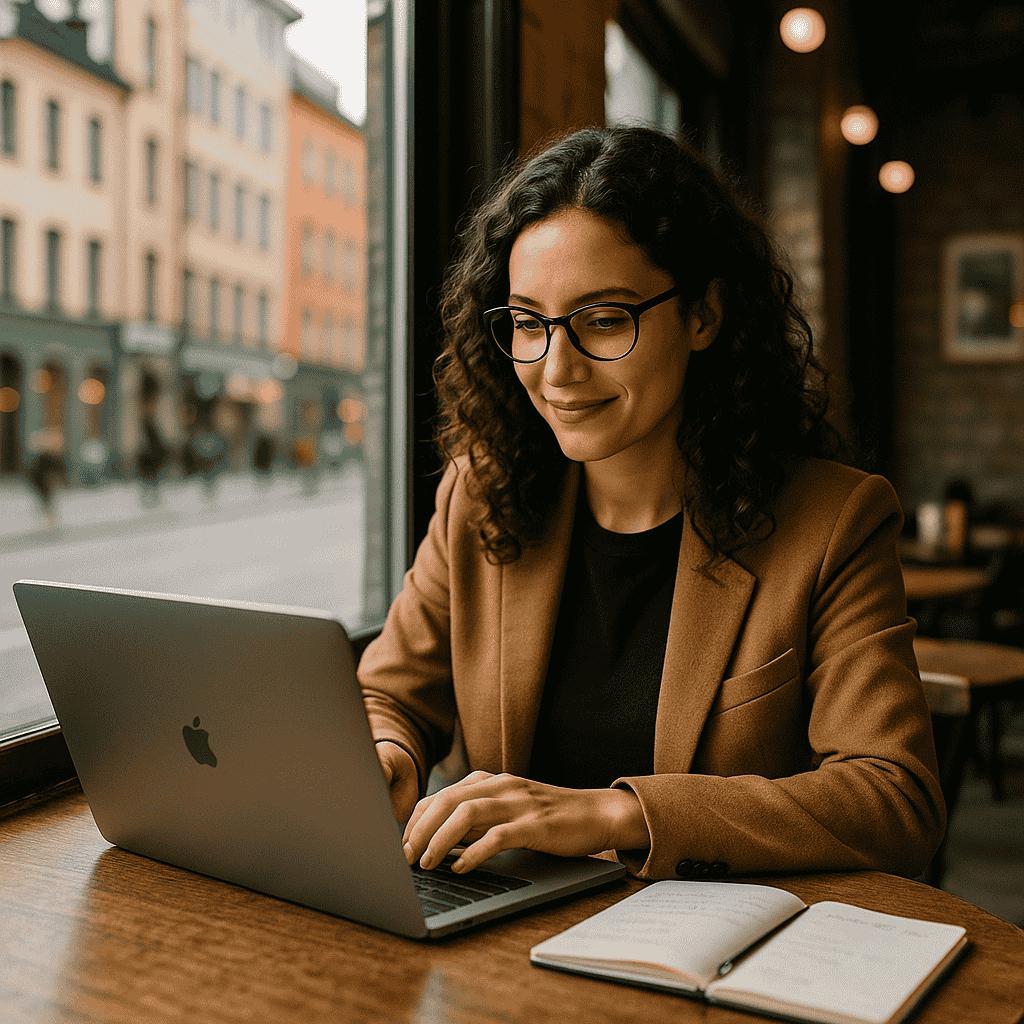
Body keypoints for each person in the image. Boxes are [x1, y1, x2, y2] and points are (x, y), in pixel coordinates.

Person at [358, 125, 944, 883]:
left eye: (604, 320)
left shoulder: (834, 522)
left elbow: (895, 799)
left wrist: (616, 814)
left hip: (713, 965)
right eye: (529, 324)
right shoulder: (480, 494)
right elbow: (390, 694)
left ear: (703, 316)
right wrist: (390, 755)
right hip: (504, 947)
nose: (556, 369)